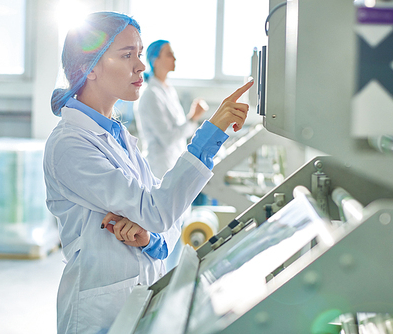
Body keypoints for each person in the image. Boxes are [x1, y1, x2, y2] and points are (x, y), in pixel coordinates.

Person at [43, 12, 253, 334]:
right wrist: (210, 135)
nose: (140, 66)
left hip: (137, 301)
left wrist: (150, 239)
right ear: (90, 67)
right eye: (127, 55)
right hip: (97, 313)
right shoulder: (69, 145)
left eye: (139, 54)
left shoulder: (118, 135)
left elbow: (166, 215)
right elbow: (157, 209)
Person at [136, 40, 207, 178]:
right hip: (160, 169)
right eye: (169, 54)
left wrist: (192, 119)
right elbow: (168, 138)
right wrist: (193, 118)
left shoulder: (168, 90)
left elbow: (178, 131)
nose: (174, 58)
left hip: (173, 163)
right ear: (154, 61)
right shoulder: (150, 94)